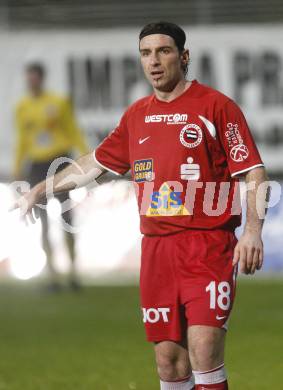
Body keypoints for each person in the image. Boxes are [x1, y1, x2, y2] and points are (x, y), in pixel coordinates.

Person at [13, 22, 269, 389]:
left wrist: (253, 232)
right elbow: (94, 163)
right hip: (157, 252)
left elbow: (253, 171)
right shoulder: (137, 115)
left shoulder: (216, 107)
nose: (154, 61)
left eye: (163, 51)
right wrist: (39, 190)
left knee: (205, 349)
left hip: (207, 246)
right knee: (169, 362)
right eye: (146, 53)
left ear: (184, 57)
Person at [13, 62, 89, 291]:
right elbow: (22, 140)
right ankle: (53, 277)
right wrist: (18, 168)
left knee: (68, 219)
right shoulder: (22, 107)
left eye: (35, 77)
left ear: (42, 78)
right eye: (29, 78)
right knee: (43, 223)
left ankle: (73, 273)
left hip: (59, 162)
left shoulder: (58, 102)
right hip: (36, 166)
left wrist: (86, 156)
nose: (32, 82)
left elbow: (72, 129)